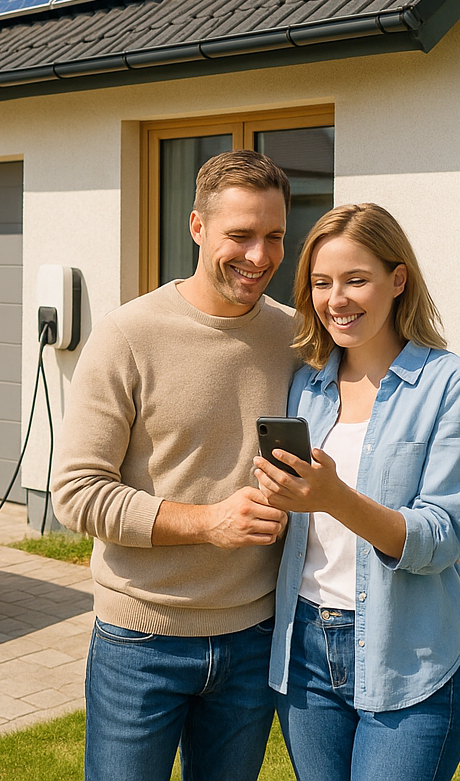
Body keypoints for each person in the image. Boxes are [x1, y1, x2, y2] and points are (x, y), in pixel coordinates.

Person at [51, 149, 297, 781]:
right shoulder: (128, 335)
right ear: (196, 227)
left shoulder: (296, 339)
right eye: (239, 235)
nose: (260, 256)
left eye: (274, 236)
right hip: (141, 639)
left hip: (253, 637)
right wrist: (208, 522)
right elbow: (77, 493)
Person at [253, 203, 460, 781]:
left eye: (356, 279)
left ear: (398, 280)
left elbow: (439, 538)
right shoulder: (305, 386)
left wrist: (333, 496)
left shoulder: (451, 386)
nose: (337, 298)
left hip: (407, 652)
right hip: (306, 649)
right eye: (321, 282)